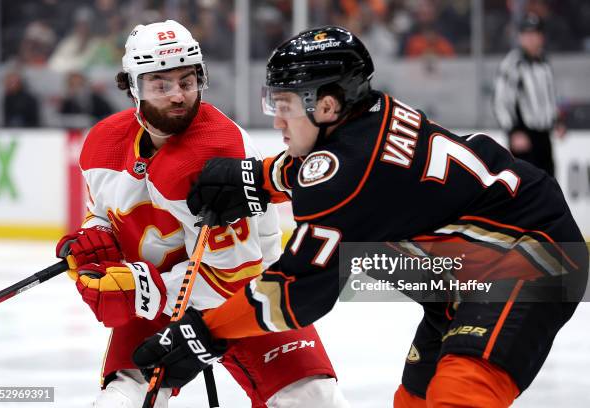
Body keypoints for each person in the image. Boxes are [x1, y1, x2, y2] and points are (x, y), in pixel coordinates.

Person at [133, 26, 588, 407]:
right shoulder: (365, 122)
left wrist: (201, 333)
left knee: (458, 394)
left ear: (327, 105)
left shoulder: (346, 172)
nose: (277, 122)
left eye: (284, 106)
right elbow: (330, 169)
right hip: (466, 266)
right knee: (415, 400)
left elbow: (292, 294)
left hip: (528, 258)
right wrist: (251, 180)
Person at [55, 20, 349, 408]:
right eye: (161, 84)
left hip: (246, 298)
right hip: (160, 298)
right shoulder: (103, 144)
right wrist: (96, 238)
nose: (179, 95)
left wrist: (143, 289)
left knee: (314, 400)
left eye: (188, 80)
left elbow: (233, 274)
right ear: (132, 87)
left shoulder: (215, 150)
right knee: (119, 402)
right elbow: (102, 213)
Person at [493, 13, 563, 177]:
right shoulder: (513, 64)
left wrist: (557, 121)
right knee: (526, 191)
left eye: (534, 34)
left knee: (549, 187)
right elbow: (500, 101)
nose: (530, 38)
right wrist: (513, 131)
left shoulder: (544, 63)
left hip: (544, 137)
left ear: (541, 37)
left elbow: (549, 96)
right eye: (526, 34)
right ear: (520, 37)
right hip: (524, 137)